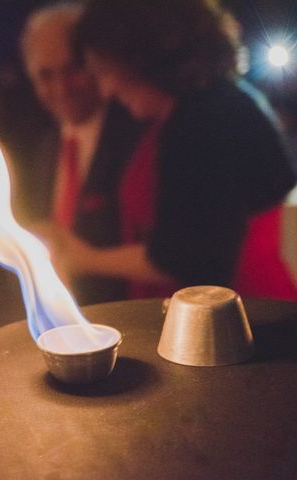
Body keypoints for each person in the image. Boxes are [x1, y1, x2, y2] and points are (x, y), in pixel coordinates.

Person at [40, 0, 297, 299]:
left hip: (246, 316)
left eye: (105, 71)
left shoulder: (200, 122)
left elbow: (183, 257)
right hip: (251, 306)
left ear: (140, 56)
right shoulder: (219, 102)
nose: (106, 90)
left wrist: (85, 259)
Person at [18, 3, 142, 304]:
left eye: (72, 69)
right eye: (46, 75)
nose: (61, 88)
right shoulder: (42, 146)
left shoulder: (137, 133)